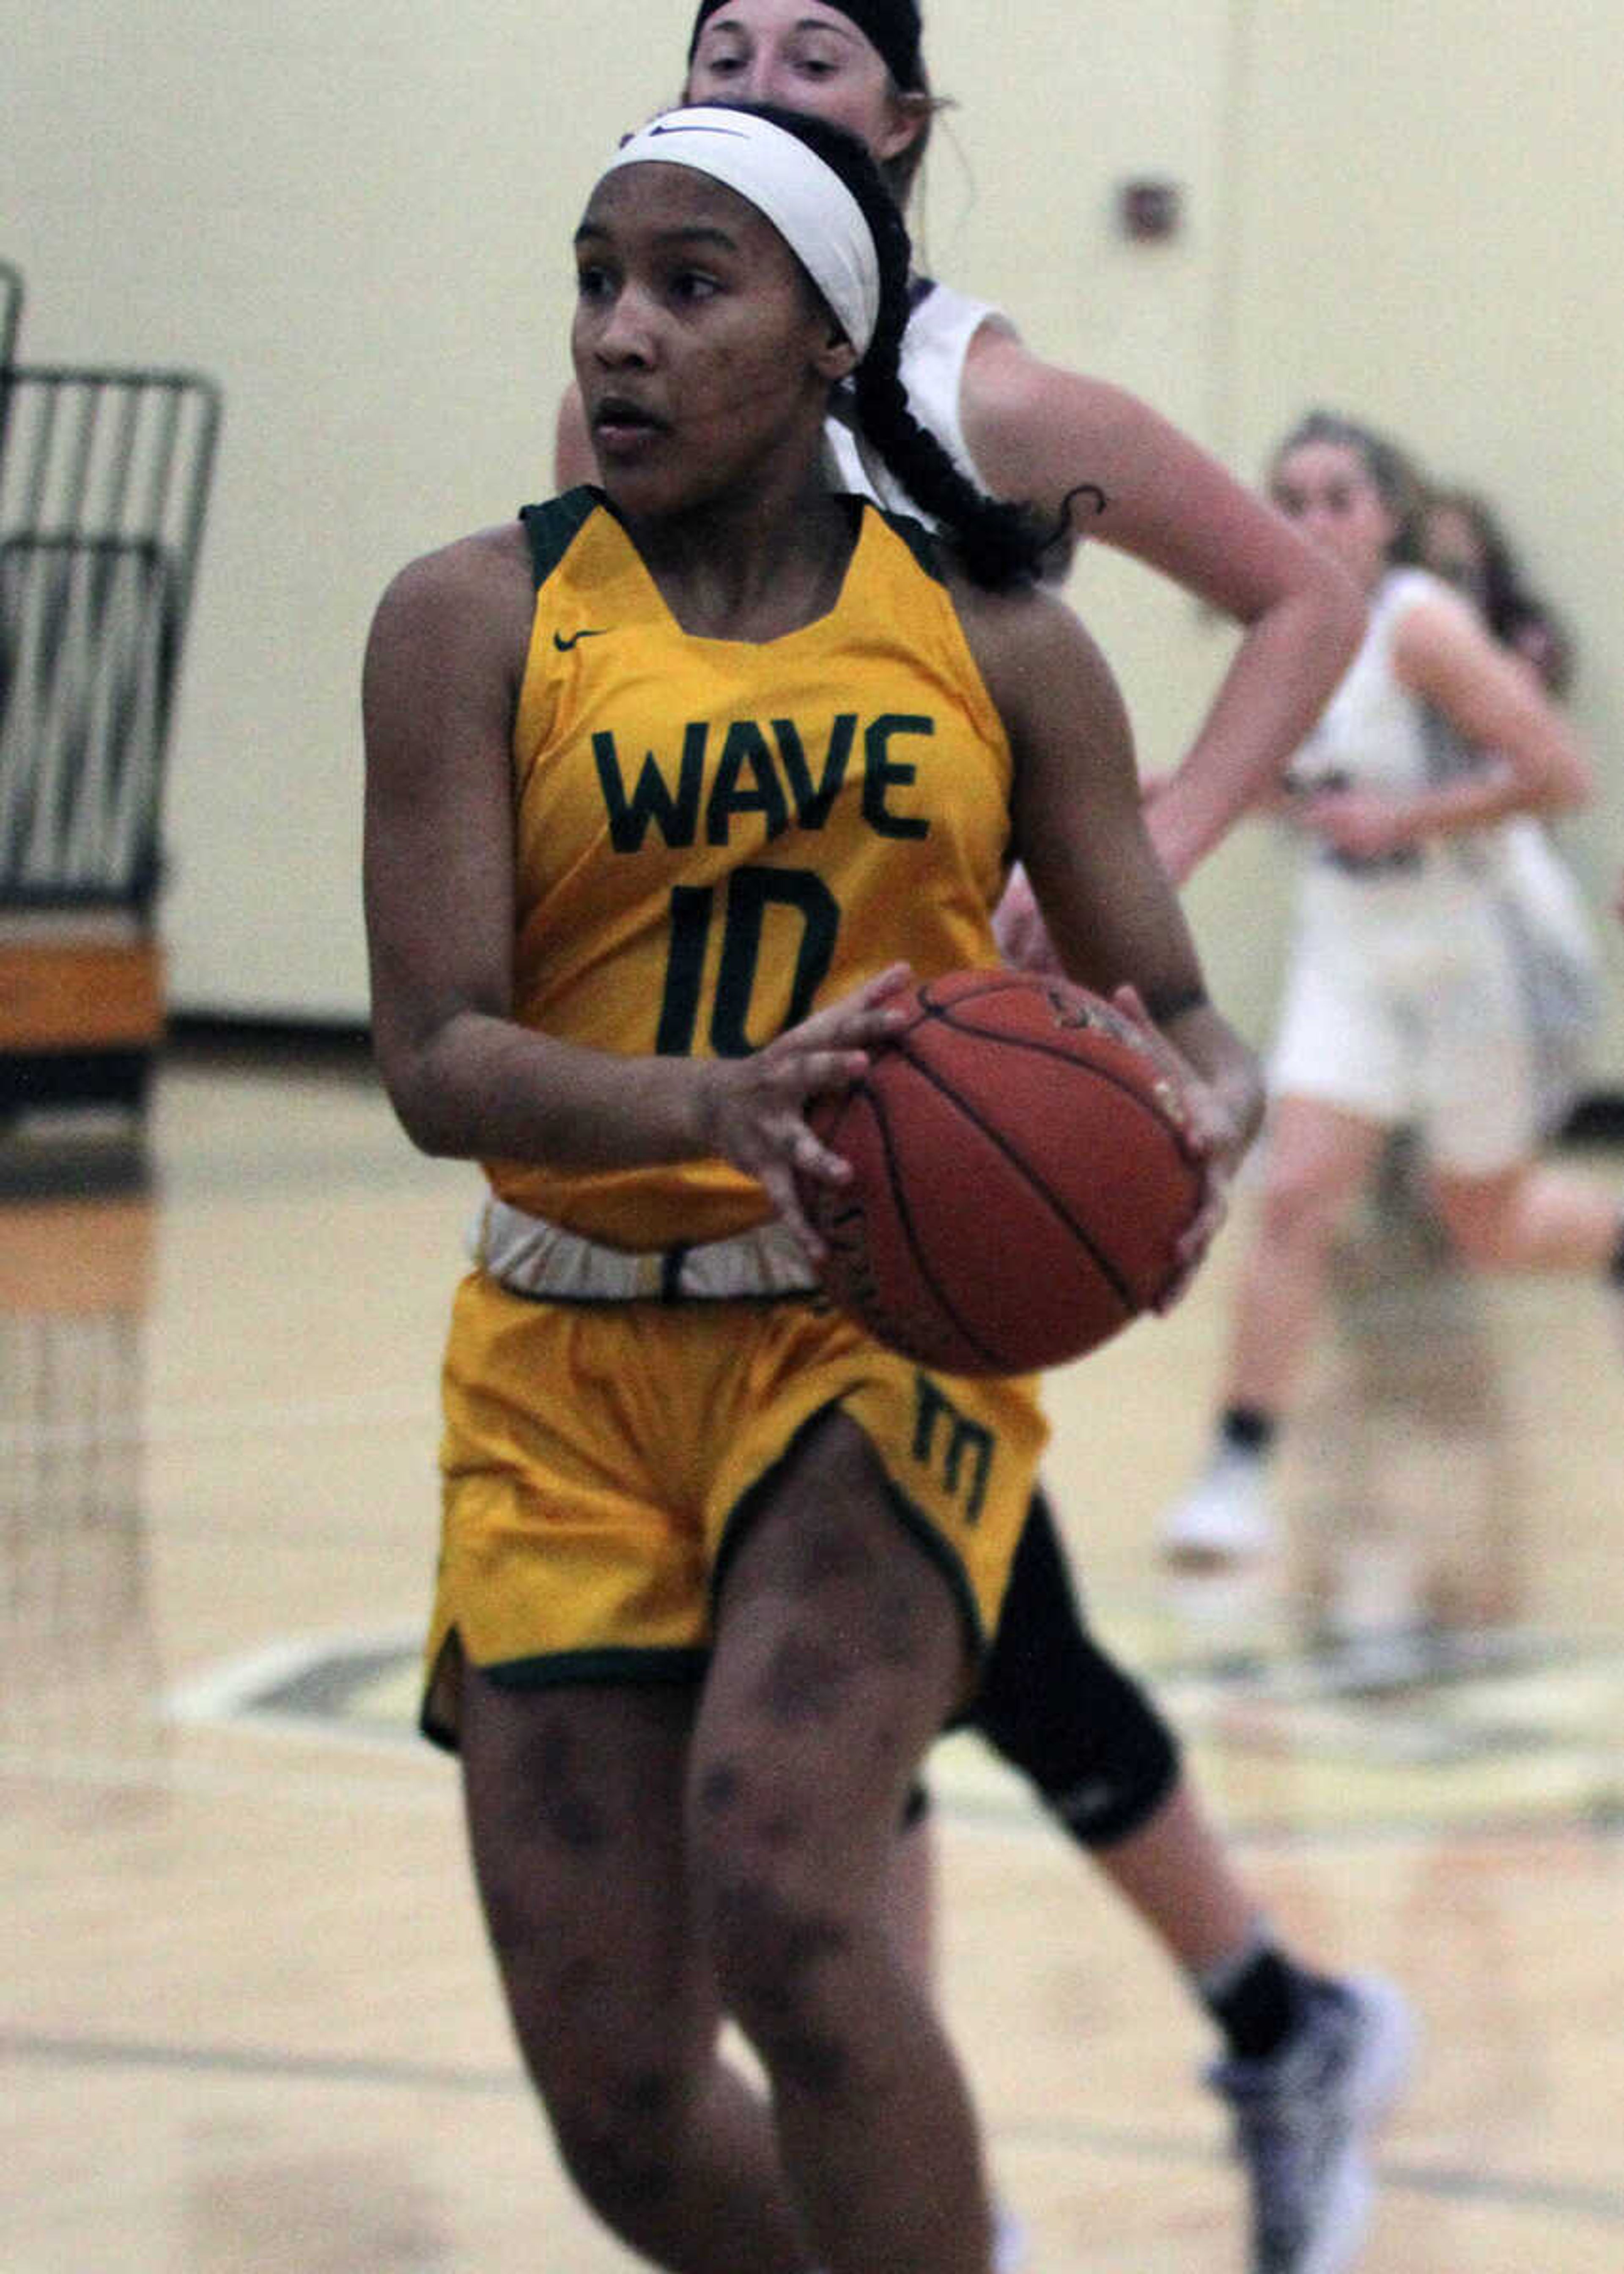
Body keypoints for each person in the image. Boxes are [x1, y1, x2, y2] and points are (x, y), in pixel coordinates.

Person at [365, 100, 1261, 2274]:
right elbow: (436, 1059)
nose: (621, 336)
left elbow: (1191, 1023)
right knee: (630, 2110)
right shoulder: (471, 617)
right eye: (597, 281)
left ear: (833, 344)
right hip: (561, 1356)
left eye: (692, 286)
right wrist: (711, 1098)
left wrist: (1185, 1131)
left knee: (785, 1884)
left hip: (866, 1338)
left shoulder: (1005, 644)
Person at [553, 16, 1412, 2274]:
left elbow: (1305, 601)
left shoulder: (985, 401)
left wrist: (1130, 849)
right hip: (716, 1133)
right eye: (720, 41)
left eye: (817, 52)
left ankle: (1053, 2135)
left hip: (944, 1117)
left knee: (874, 1682)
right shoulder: (625, 399)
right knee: (898, 1694)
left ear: (905, 126)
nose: (763, 74)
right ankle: (1218, 2045)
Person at [1161, 410, 1623, 1575]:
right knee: (1297, 1200)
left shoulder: (1422, 627)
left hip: (1477, 948)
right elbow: (1277, 784)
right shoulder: (1281, 631)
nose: (1311, 520)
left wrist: (1403, 819)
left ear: (1387, 516)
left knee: (1490, 1226)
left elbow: (1558, 773)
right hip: (1355, 953)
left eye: (1337, 498)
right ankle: (1236, 1467)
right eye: (1291, 498)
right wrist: (1144, 795)